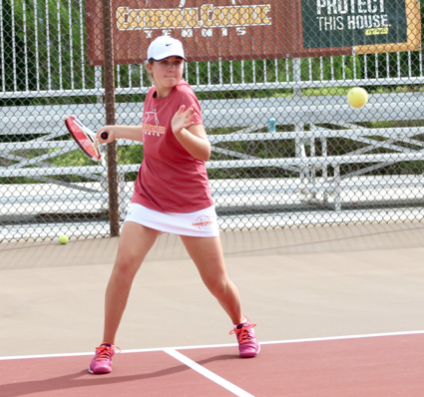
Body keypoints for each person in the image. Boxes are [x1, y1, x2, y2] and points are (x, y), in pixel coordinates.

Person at [88, 36, 260, 374]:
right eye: (165, 62)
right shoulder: (151, 95)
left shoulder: (184, 97)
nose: (172, 68)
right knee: (123, 268)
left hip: (189, 204)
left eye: (177, 62)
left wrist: (181, 134)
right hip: (149, 197)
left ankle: (242, 324)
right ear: (149, 68)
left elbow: (204, 151)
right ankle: (105, 347)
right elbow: (153, 132)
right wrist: (116, 131)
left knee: (216, 282)